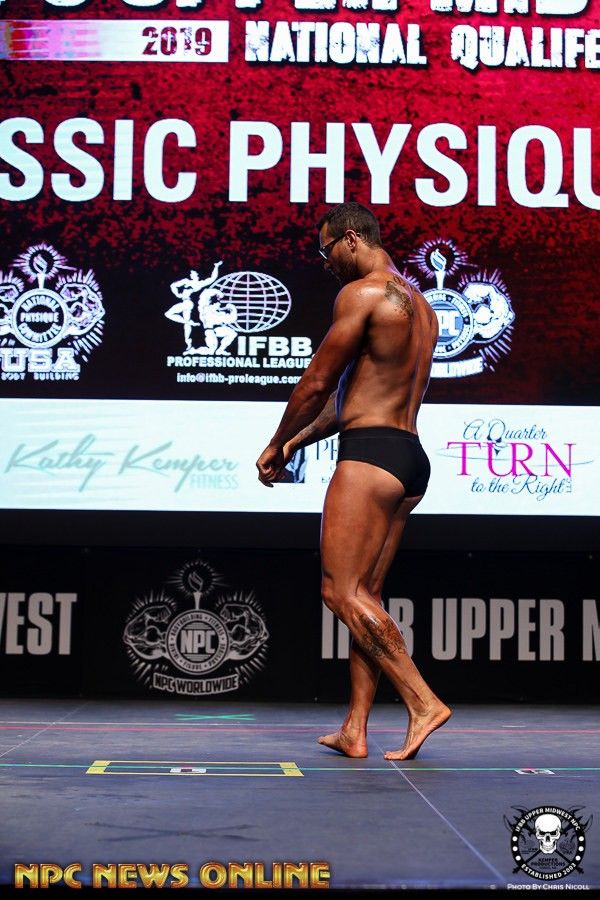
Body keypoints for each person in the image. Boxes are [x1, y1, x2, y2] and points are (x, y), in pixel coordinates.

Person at [256, 202, 451, 760]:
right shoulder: (421, 306)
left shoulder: (361, 294)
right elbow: (350, 402)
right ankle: (355, 729)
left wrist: (275, 439)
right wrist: (297, 443)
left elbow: (318, 382)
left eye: (326, 251)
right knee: (366, 597)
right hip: (408, 459)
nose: (326, 263)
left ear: (350, 239)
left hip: (369, 459)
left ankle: (423, 702)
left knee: (339, 592)